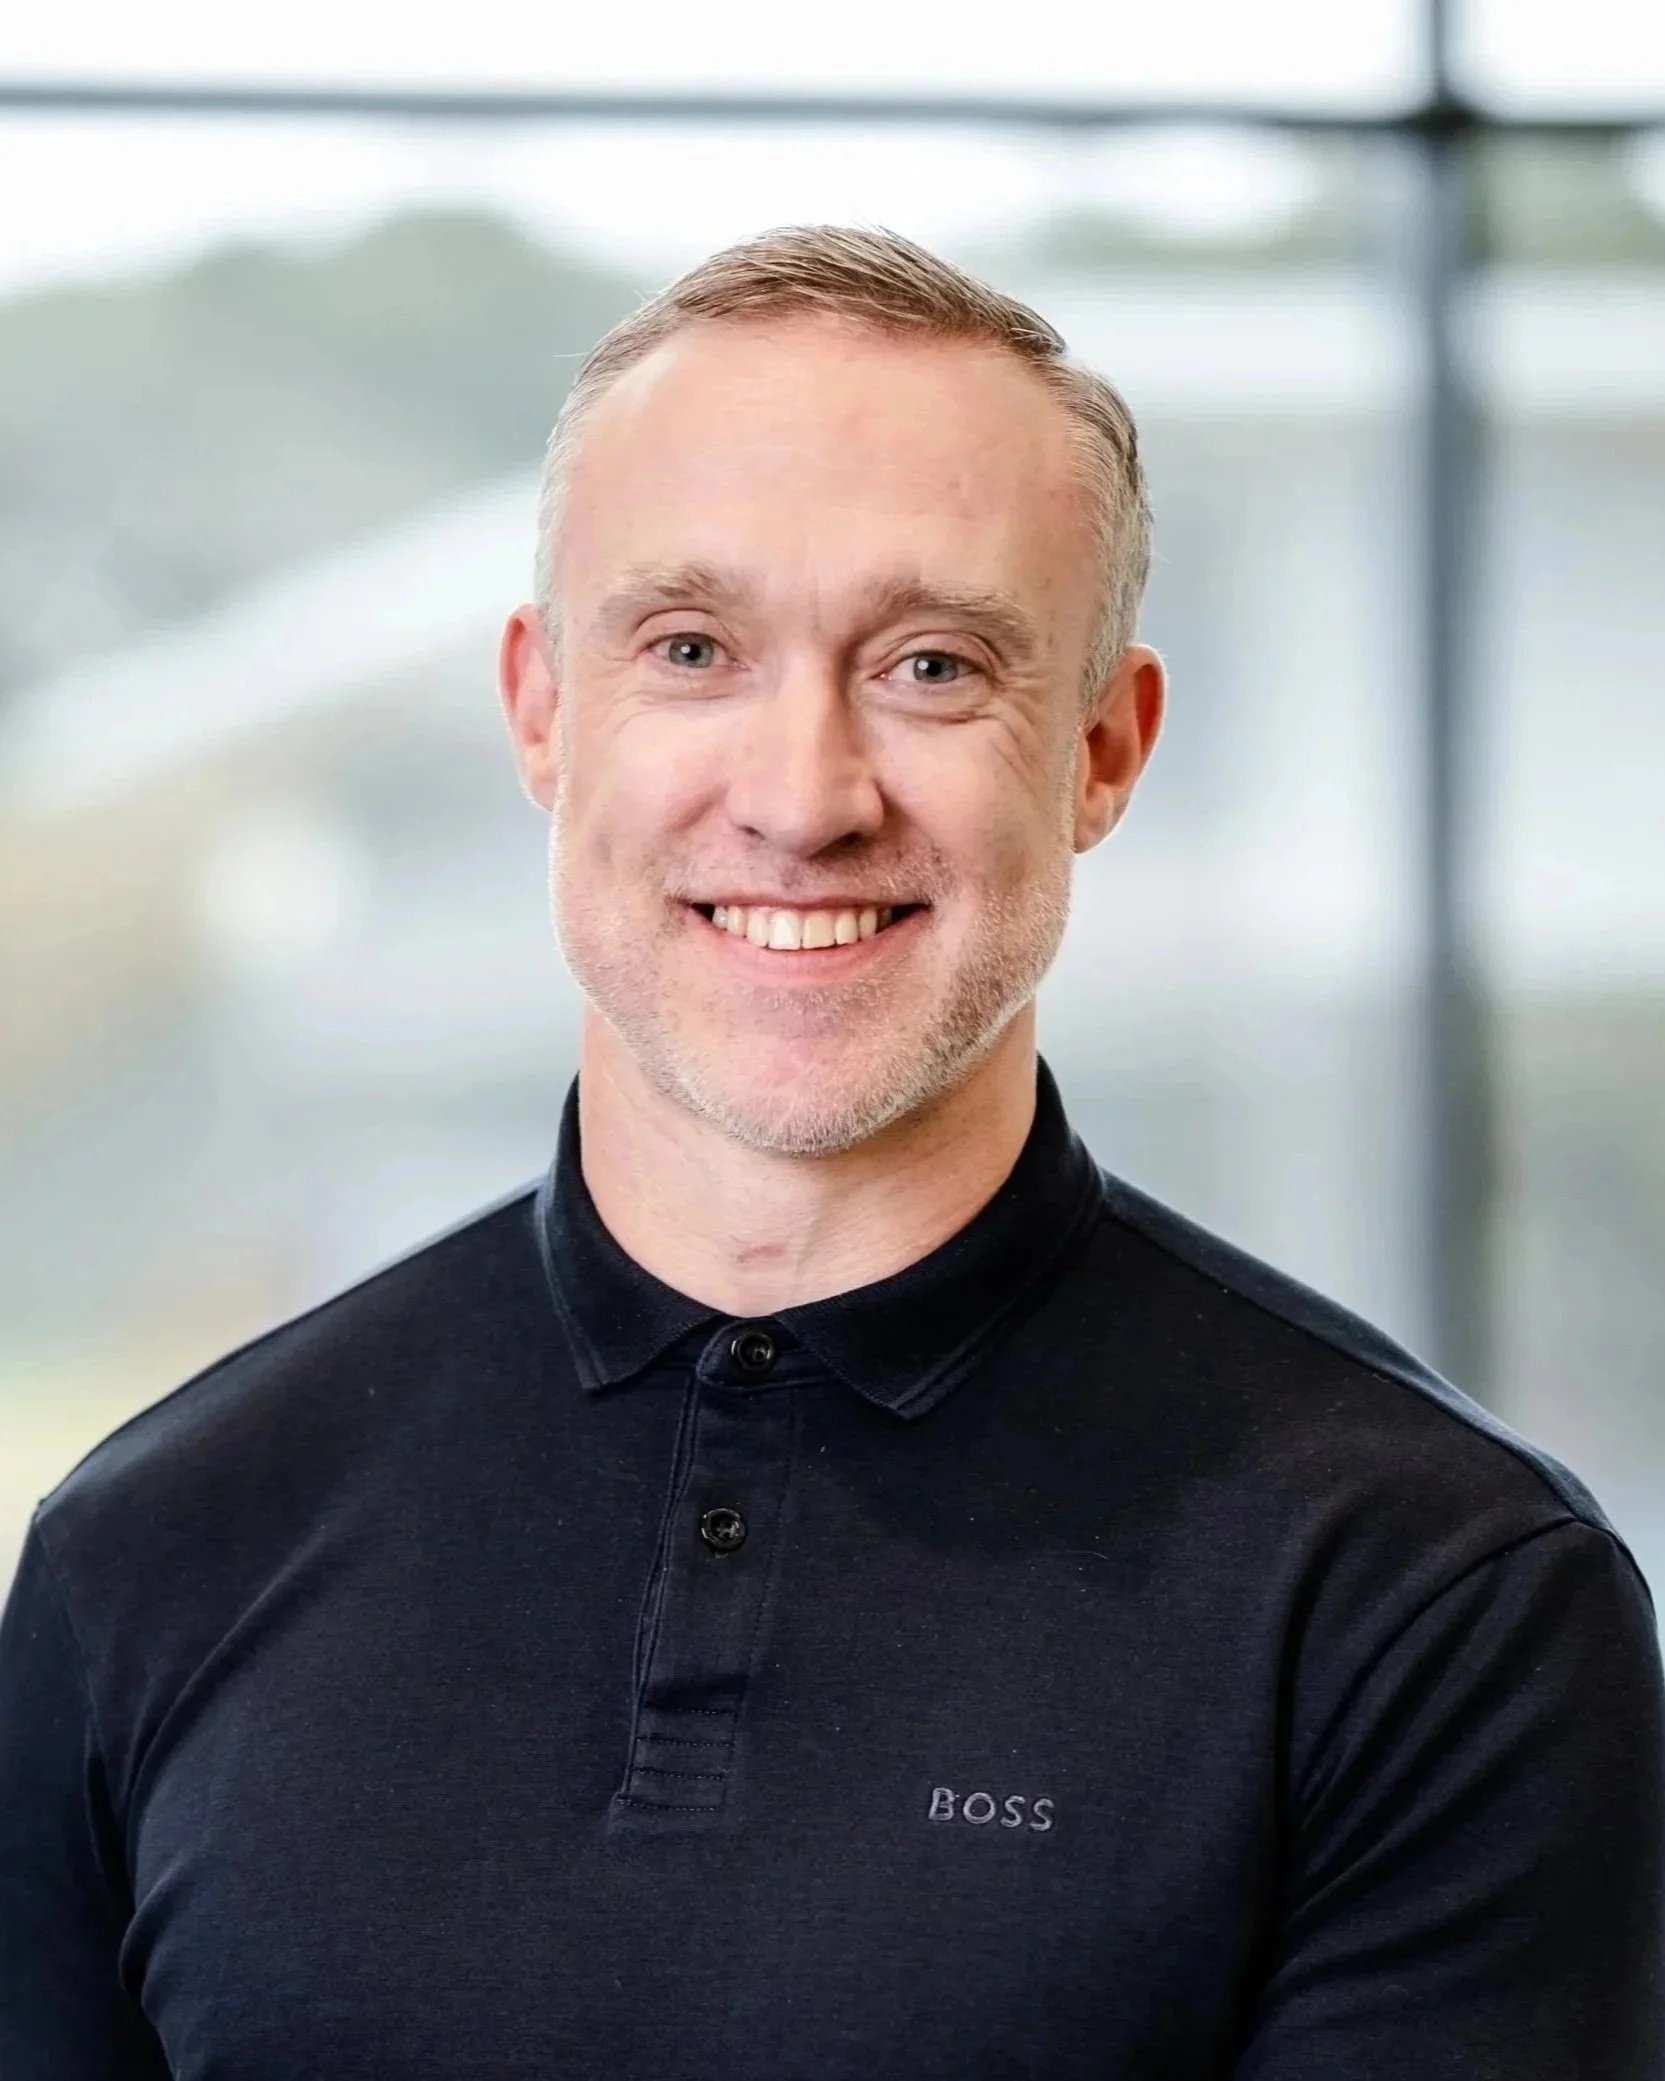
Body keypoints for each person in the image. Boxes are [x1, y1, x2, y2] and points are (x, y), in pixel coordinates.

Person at [1, 223, 1659, 2081]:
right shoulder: (150, 1551)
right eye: (692, 649)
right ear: (543, 711)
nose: (802, 797)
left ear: (1103, 749)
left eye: (933, 665)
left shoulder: (1435, 1596)